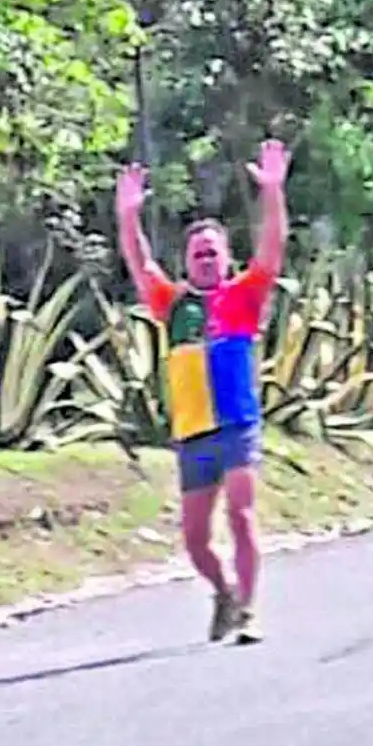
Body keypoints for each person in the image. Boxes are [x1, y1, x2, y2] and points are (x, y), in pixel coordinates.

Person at [115, 140, 289, 644]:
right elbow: (138, 262)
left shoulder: (245, 295)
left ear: (227, 257)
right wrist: (129, 216)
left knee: (241, 512)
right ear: (187, 261)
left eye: (214, 251)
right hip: (193, 434)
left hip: (237, 425)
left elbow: (273, 245)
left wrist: (273, 191)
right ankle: (224, 592)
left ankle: (250, 612)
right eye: (198, 253)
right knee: (194, 542)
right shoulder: (174, 306)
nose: (207, 259)